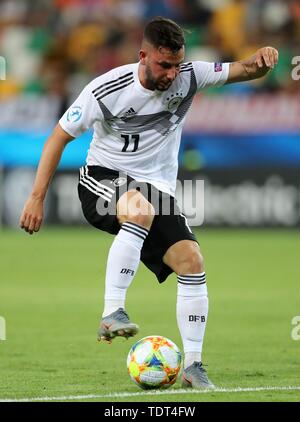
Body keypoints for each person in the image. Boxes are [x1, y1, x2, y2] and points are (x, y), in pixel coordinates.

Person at [20, 17, 278, 389]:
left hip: (156, 192)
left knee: (192, 259)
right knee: (139, 208)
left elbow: (246, 69)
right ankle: (112, 312)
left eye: (176, 64)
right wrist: (36, 197)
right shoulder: (106, 89)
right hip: (102, 180)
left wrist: (263, 60)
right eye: (164, 65)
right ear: (143, 56)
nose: (172, 74)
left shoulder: (191, 75)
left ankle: (193, 366)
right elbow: (58, 138)